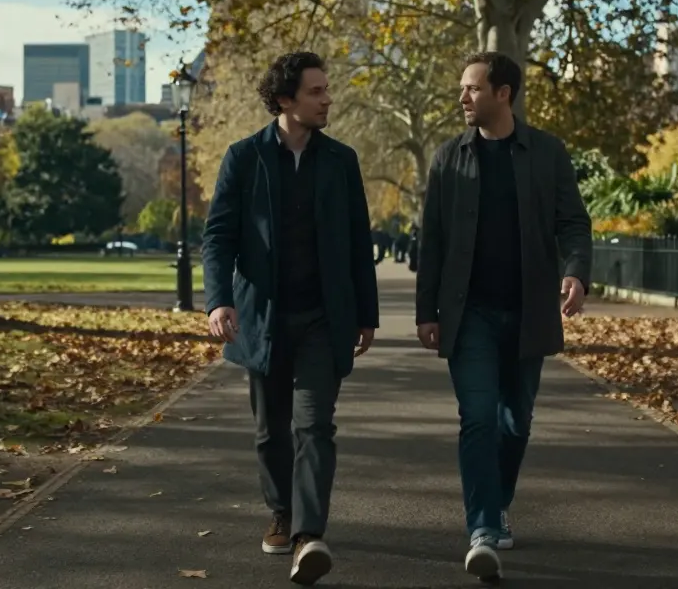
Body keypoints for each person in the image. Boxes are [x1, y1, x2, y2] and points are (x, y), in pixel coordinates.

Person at [202, 51, 379, 586]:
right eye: (316, 92)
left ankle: (308, 535)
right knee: (270, 430)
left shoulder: (341, 160)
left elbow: (358, 240)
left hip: (324, 318)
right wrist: (218, 300)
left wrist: (365, 314)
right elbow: (219, 236)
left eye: (327, 90)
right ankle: (281, 511)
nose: (327, 100)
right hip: (264, 318)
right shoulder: (244, 157)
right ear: (285, 100)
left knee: (315, 425)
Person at [414, 51, 592, 582]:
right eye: (462, 88)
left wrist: (576, 273)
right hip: (469, 314)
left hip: (528, 311)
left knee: (516, 423)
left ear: (503, 93)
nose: (462, 97)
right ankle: (484, 529)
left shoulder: (547, 153)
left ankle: (497, 502)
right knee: (478, 418)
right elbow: (433, 240)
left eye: (472, 88)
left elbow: (573, 222)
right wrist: (427, 312)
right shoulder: (448, 157)